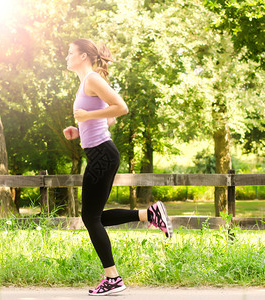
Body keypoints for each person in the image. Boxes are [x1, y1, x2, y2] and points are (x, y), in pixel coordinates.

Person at [63, 38, 173, 296]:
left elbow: (121, 108)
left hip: (102, 154)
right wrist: (79, 131)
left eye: (70, 53)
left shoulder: (91, 79)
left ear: (82, 57)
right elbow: (109, 119)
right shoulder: (86, 82)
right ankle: (149, 215)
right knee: (94, 217)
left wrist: (86, 117)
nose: (66, 57)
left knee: (90, 218)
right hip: (100, 153)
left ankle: (113, 278)